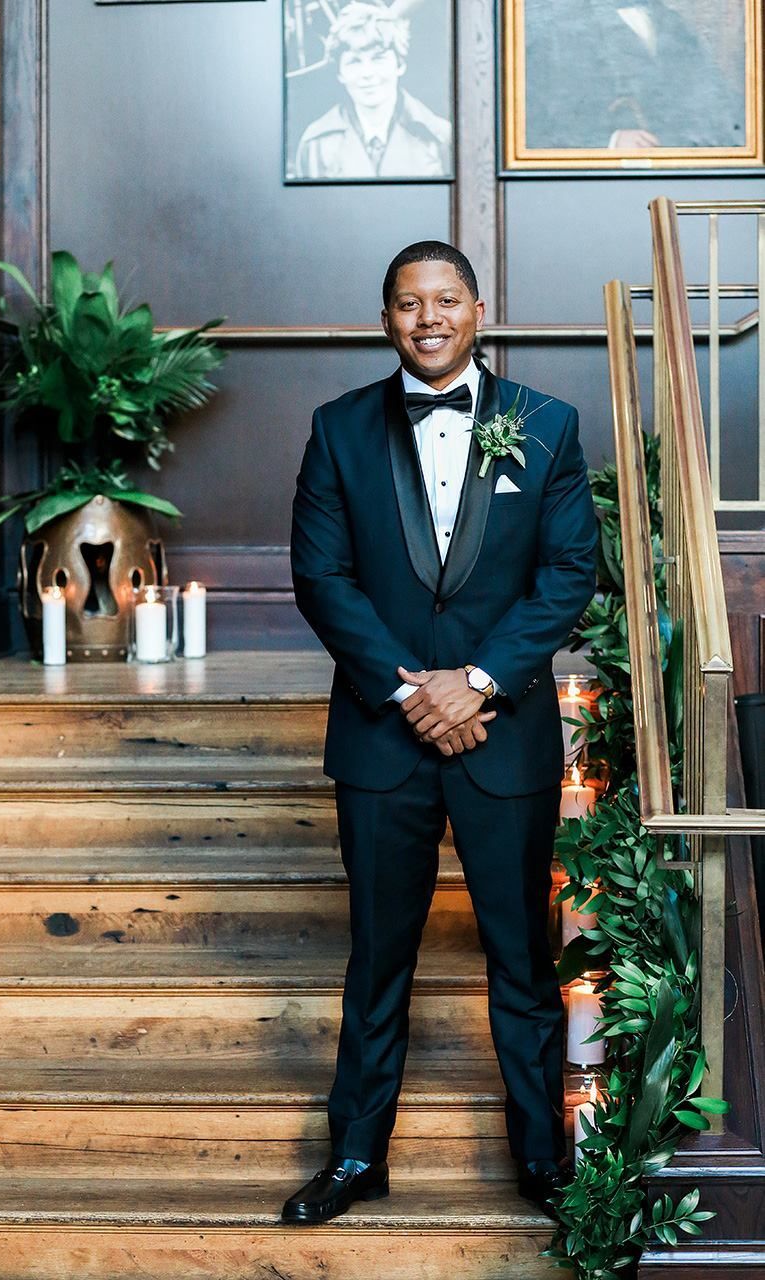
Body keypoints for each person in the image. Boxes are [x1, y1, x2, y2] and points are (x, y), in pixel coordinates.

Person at [283, 240, 598, 1225]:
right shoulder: (336, 429)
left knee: (520, 957)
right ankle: (355, 1153)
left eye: (444, 299)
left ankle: (541, 1158)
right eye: (407, 302)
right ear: (385, 317)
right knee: (379, 952)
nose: (427, 316)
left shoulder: (546, 425)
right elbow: (321, 577)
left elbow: (567, 573)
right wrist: (408, 691)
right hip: (382, 737)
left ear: (477, 308)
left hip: (502, 734)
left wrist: (476, 682)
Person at [525, 0, 745, 151]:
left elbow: (716, 101)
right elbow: (538, 124)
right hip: (599, 181)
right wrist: (611, 141)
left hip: (677, 172)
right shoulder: (562, 28)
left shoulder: (672, 23)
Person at [294, 2, 451, 180]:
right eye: (354, 62)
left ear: (400, 64)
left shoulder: (440, 137)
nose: (367, 74)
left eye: (378, 59)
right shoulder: (315, 144)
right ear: (340, 73)